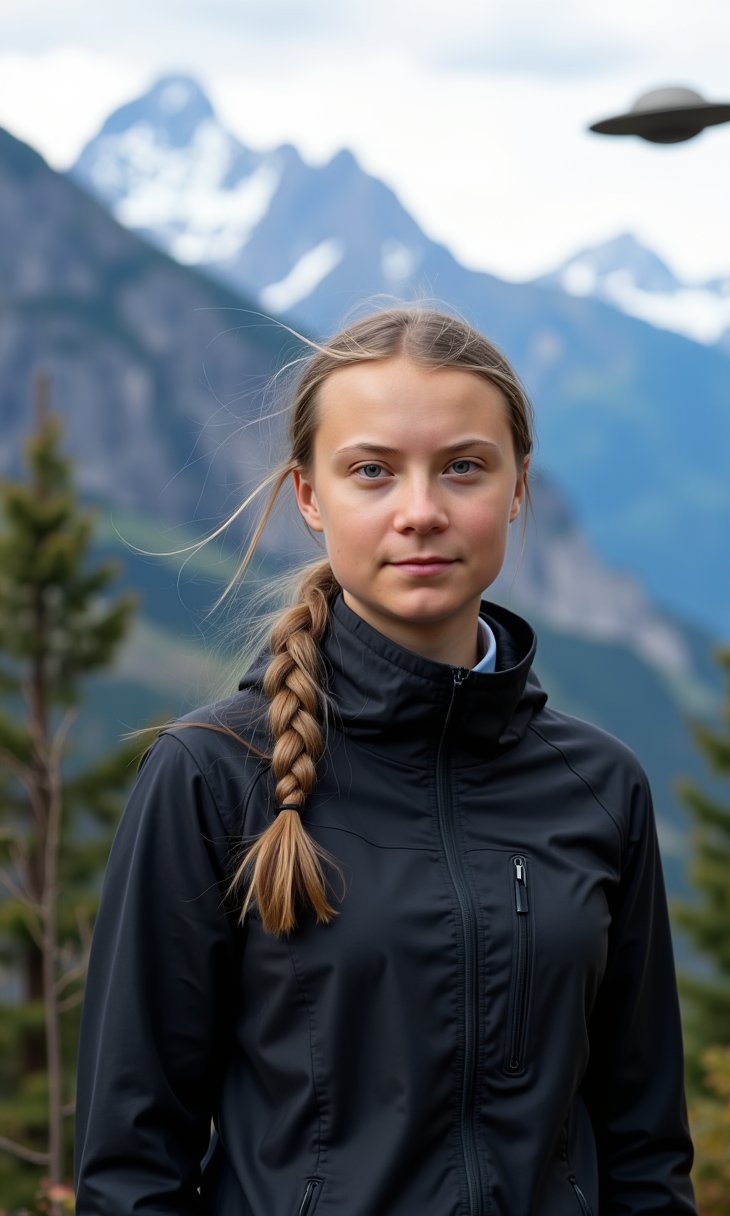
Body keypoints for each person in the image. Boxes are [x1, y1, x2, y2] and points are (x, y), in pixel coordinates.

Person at [74, 307, 697, 1215]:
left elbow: (645, 1153)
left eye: (464, 467)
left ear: (518, 487)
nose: (421, 511)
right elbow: (132, 1169)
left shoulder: (600, 788)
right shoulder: (209, 777)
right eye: (373, 471)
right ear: (310, 496)